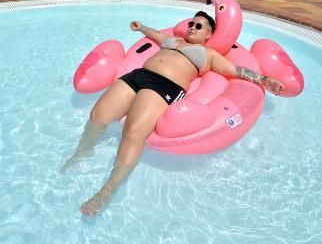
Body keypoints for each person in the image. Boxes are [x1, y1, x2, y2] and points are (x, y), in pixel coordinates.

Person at [61, 12, 284, 216]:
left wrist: (265, 80)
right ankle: (83, 152)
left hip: (164, 86)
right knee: (98, 115)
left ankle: (107, 190)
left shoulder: (209, 54)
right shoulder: (172, 41)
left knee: (134, 132)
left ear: (208, 34)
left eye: (199, 26)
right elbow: (156, 35)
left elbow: (236, 70)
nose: (192, 28)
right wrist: (142, 27)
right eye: (191, 23)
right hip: (138, 75)